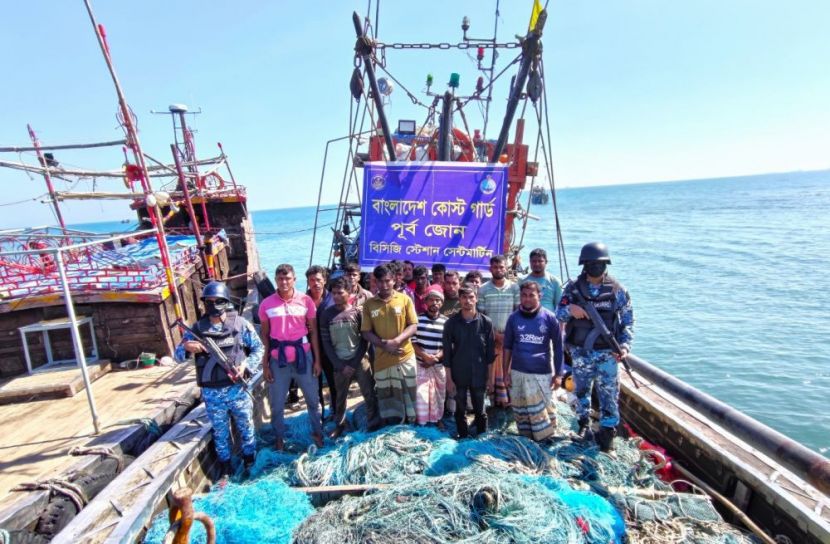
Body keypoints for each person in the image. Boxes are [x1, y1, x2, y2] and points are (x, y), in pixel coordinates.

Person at [176, 281, 264, 476]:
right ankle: (225, 468)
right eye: (209, 302)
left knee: (246, 428)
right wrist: (186, 348)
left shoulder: (240, 325)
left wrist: (246, 366)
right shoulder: (197, 329)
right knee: (220, 433)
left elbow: (259, 348)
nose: (213, 305)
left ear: (226, 302)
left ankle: (250, 462)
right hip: (213, 393)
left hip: (238, 389)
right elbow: (177, 357)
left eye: (218, 301)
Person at [556, 242, 634, 452]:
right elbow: (558, 313)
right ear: (584, 264)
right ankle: (583, 426)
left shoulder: (617, 290)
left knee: (609, 395)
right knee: (581, 392)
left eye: (599, 263)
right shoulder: (573, 289)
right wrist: (570, 309)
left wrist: (624, 345)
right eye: (591, 263)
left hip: (607, 353)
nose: (595, 267)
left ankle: (607, 434)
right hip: (581, 352)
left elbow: (627, 320)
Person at [259, 264, 324, 450]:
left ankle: (317, 432)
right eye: (280, 279)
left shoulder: (306, 301)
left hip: (304, 357)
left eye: (287, 278)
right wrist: (265, 365)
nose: (284, 282)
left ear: (294, 280)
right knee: (277, 403)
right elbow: (265, 336)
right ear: (275, 280)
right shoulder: (266, 305)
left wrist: (317, 360)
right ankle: (279, 438)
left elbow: (313, 333)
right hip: (278, 360)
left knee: (313, 400)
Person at [318, 277, 381, 438]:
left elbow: (364, 341)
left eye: (340, 293)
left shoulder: (358, 313)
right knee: (339, 397)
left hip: (360, 361)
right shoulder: (326, 315)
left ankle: (373, 422)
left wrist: (354, 363)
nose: (336, 296)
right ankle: (340, 424)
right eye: (333, 293)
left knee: (369, 393)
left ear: (349, 292)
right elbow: (326, 343)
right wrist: (339, 365)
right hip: (339, 364)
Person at [503, 281, 564, 442]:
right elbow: (507, 347)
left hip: (541, 374)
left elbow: (558, 347)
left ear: (539, 296)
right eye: (524, 295)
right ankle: (527, 439)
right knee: (521, 412)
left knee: (546, 412)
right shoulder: (513, 318)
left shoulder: (549, 318)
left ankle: (546, 439)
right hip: (518, 373)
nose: (527, 299)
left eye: (532, 295)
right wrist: (505, 373)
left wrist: (559, 374)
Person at [361, 264, 419, 424]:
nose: (384, 285)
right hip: (382, 359)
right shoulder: (369, 304)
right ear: (375, 282)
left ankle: (412, 423)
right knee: (387, 395)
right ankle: (391, 424)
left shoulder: (405, 299)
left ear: (394, 280)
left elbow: (413, 325)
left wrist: (396, 341)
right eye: (380, 281)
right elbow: (366, 332)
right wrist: (384, 345)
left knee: (410, 393)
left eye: (388, 281)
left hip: (405, 356)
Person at [443, 285, 495, 438]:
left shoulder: (486, 322)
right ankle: (463, 437)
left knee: (480, 410)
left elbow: (490, 354)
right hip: (459, 373)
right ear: (459, 299)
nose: (468, 301)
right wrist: (449, 379)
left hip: (479, 373)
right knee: (460, 410)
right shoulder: (451, 323)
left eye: (471, 297)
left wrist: (490, 379)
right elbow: (447, 354)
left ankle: (482, 438)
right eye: (464, 297)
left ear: (476, 298)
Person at [477, 255, 520, 408]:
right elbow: (481, 316)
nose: (499, 270)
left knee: (508, 370)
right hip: (491, 338)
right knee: (492, 370)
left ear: (506, 268)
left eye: (501, 267)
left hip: (510, 338)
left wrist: (507, 336)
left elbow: (517, 313)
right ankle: (494, 402)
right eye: (495, 267)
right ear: (490, 269)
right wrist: (494, 335)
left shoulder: (514, 288)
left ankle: (508, 402)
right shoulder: (483, 289)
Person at [413, 289, 448, 428]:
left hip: (438, 366)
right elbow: (412, 341)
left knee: (438, 395)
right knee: (421, 395)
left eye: (438, 300)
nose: (435, 303)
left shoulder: (446, 322)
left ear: (442, 303)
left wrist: (435, 358)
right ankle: (422, 423)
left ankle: (437, 419)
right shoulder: (417, 320)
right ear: (426, 302)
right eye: (431, 300)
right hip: (421, 365)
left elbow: (449, 344)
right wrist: (425, 356)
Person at [306, 265, 336, 424]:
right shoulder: (302, 300)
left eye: (318, 279)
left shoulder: (333, 299)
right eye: (311, 280)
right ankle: (319, 417)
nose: (315, 283)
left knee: (334, 383)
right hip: (310, 350)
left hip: (331, 350)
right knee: (314, 387)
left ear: (324, 280)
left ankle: (336, 413)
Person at [522, 248, 563, 312]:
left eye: (540, 261)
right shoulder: (522, 281)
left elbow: (560, 306)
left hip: (548, 317)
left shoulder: (555, 282)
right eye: (534, 261)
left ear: (546, 262)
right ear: (530, 262)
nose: (537, 264)